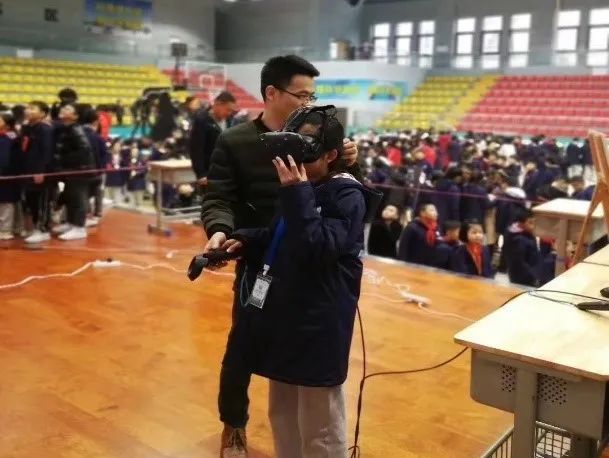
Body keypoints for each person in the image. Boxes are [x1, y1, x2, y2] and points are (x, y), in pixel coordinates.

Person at [199, 55, 359, 458]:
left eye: (312, 96)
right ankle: (234, 425)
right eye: (301, 95)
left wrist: (347, 159)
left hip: (311, 270)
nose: (308, 103)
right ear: (271, 93)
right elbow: (218, 197)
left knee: (298, 365)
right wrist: (222, 231)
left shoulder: (320, 138)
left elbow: (342, 202)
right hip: (260, 259)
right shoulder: (235, 141)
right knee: (242, 348)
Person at [221, 113, 372, 458]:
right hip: (286, 317)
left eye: (307, 151)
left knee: (320, 423)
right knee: (283, 413)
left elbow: (317, 247)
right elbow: (281, 235)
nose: (297, 160)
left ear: (331, 155)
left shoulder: (346, 194)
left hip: (318, 324)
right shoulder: (305, 186)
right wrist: (245, 240)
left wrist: (296, 192)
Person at [51, 103, 96, 241]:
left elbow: (84, 150)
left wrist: (66, 161)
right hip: (70, 170)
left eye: (68, 109)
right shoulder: (65, 129)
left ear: (75, 116)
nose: (63, 110)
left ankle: (79, 227)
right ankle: (71, 223)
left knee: (78, 198)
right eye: (63, 108)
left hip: (79, 170)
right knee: (70, 196)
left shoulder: (76, 130)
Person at [20, 101, 55, 244]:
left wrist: (41, 171)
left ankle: (42, 230)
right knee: (31, 201)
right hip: (28, 170)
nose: (28, 111)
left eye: (32, 109)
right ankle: (35, 226)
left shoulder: (45, 129)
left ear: (43, 113)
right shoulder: (28, 128)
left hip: (41, 172)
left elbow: (47, 152)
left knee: (41, 201)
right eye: (27, 108)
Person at [188, 91, 237, 188]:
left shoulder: (230, 121)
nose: (229, 113)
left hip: (227, 173)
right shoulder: (202, 121)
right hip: (209, 173)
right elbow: (196, 150)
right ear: (218, 104)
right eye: (228, 109)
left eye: (231, 111)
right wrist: (201, 174)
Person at [504, 210, 540, 287]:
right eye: (530, 223)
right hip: (522, 279)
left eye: (534, 223)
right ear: (521, 224)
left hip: (529, 276)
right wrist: (533, 275)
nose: (533, 226)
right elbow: (519, 263)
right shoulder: (518, 240)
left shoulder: (529, 235)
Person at [397, 203, 439, 267]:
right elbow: (403, 249)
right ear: (422, 213)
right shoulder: (412, 227)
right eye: (432, 210)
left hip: (427, 267)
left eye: (436, 211)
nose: (436, 213)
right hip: (411, 266)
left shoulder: (435, 229)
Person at [0, 112, 19, 240]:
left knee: (5, 202)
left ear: (6, 125)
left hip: (6, 175)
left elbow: (4, 159)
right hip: (6, 174)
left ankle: (6, 230)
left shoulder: (8, 138)